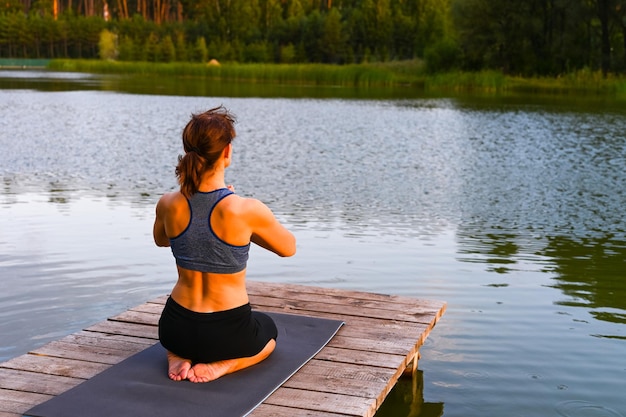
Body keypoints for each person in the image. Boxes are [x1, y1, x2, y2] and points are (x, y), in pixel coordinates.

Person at [153, 106, 296, 383]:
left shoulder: (168, 203)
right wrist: (244, 229)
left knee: (183, 339)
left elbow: (161, 240)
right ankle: (226, 365)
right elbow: (288, 247)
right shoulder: (245, 209)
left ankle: (177, 355)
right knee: (269, 332)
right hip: (226, 333)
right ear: (227, 152)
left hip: (174, 327)